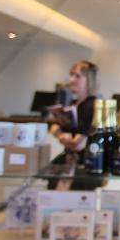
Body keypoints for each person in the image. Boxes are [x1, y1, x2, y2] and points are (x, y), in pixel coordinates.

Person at [46, 60, 99, 190]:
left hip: (85, 167)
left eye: (77, 76)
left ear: (89, 80)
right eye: (71, 75)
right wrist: (62, 136)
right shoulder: (72, 104)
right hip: (69, 163)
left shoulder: (92, 106)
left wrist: (62, 136)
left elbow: (79, 144)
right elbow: (53, 127)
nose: (72, 79)